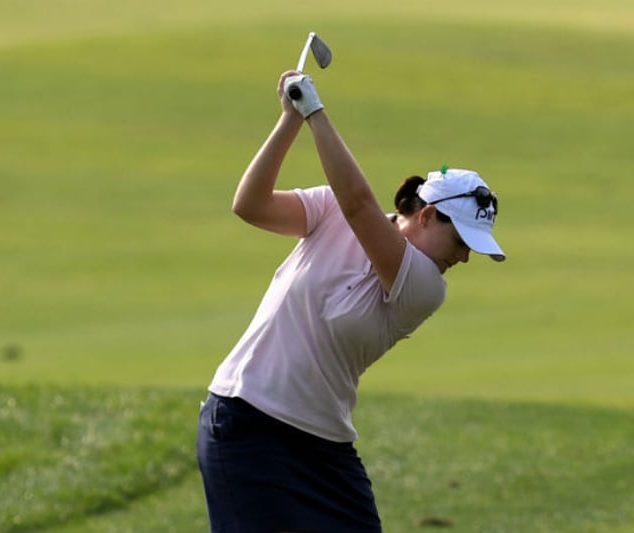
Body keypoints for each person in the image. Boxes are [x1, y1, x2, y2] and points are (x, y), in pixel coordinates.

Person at [196, 70, 506, 532]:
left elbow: (360, 205)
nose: (463, 257)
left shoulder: (426, 286)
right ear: (425, 215)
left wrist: (316, 111)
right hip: (246, 424)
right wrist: (291, 120)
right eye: (461, 240)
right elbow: (251, 204)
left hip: (322, 447)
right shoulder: (329, 209)